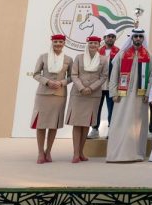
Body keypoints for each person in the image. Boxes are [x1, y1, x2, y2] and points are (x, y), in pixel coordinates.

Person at [107, 28, 152, 162]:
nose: (138, 38)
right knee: (120, 123)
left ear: (143, 38)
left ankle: (135, 154)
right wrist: (113, 92)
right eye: (135, 36)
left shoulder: (149, 56)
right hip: (122, 95)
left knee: (137, 126)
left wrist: (148, 93)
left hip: (140, 97)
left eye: (140, 36)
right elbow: (114, 74)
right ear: (132, 38)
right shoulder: (122, 54)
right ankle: (117, 154)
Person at [65, 36, 109, 163]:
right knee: (77, 123)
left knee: (86, 124)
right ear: (87, 44)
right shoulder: (79, 57)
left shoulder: (103, 59)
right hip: (78, 94)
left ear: (99, 45)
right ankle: (75, 153)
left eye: (95, 43)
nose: (93, 45)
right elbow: (74, 75)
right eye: (91, 43)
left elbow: (104, 76)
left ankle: (81, 152)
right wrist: (81, 87)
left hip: (93, 95)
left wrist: (91, 88)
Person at [30, 34, 73, 164]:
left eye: (60, 41)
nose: (58, 44)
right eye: (55, 41)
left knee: (53, 125)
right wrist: (47, 82)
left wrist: (62, 83)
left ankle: (48, 151)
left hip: (59, 95)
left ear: (64, 43)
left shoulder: (68, 59)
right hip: (43, 95)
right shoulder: (43, 57)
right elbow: (36, 74)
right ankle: (40, 152)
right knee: (41, 125)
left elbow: (72, 77)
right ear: (52, 42)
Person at [89, 28, 118, 139]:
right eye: (108, 36)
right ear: (104, 38)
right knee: (96, 108)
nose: (110, 38)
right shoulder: (97, 52)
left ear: (115, 39)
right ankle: (94, 129)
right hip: (98, 86)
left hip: (112, 86)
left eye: (112, 37)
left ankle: (112, 130)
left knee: (112, 109)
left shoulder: (119, 52)